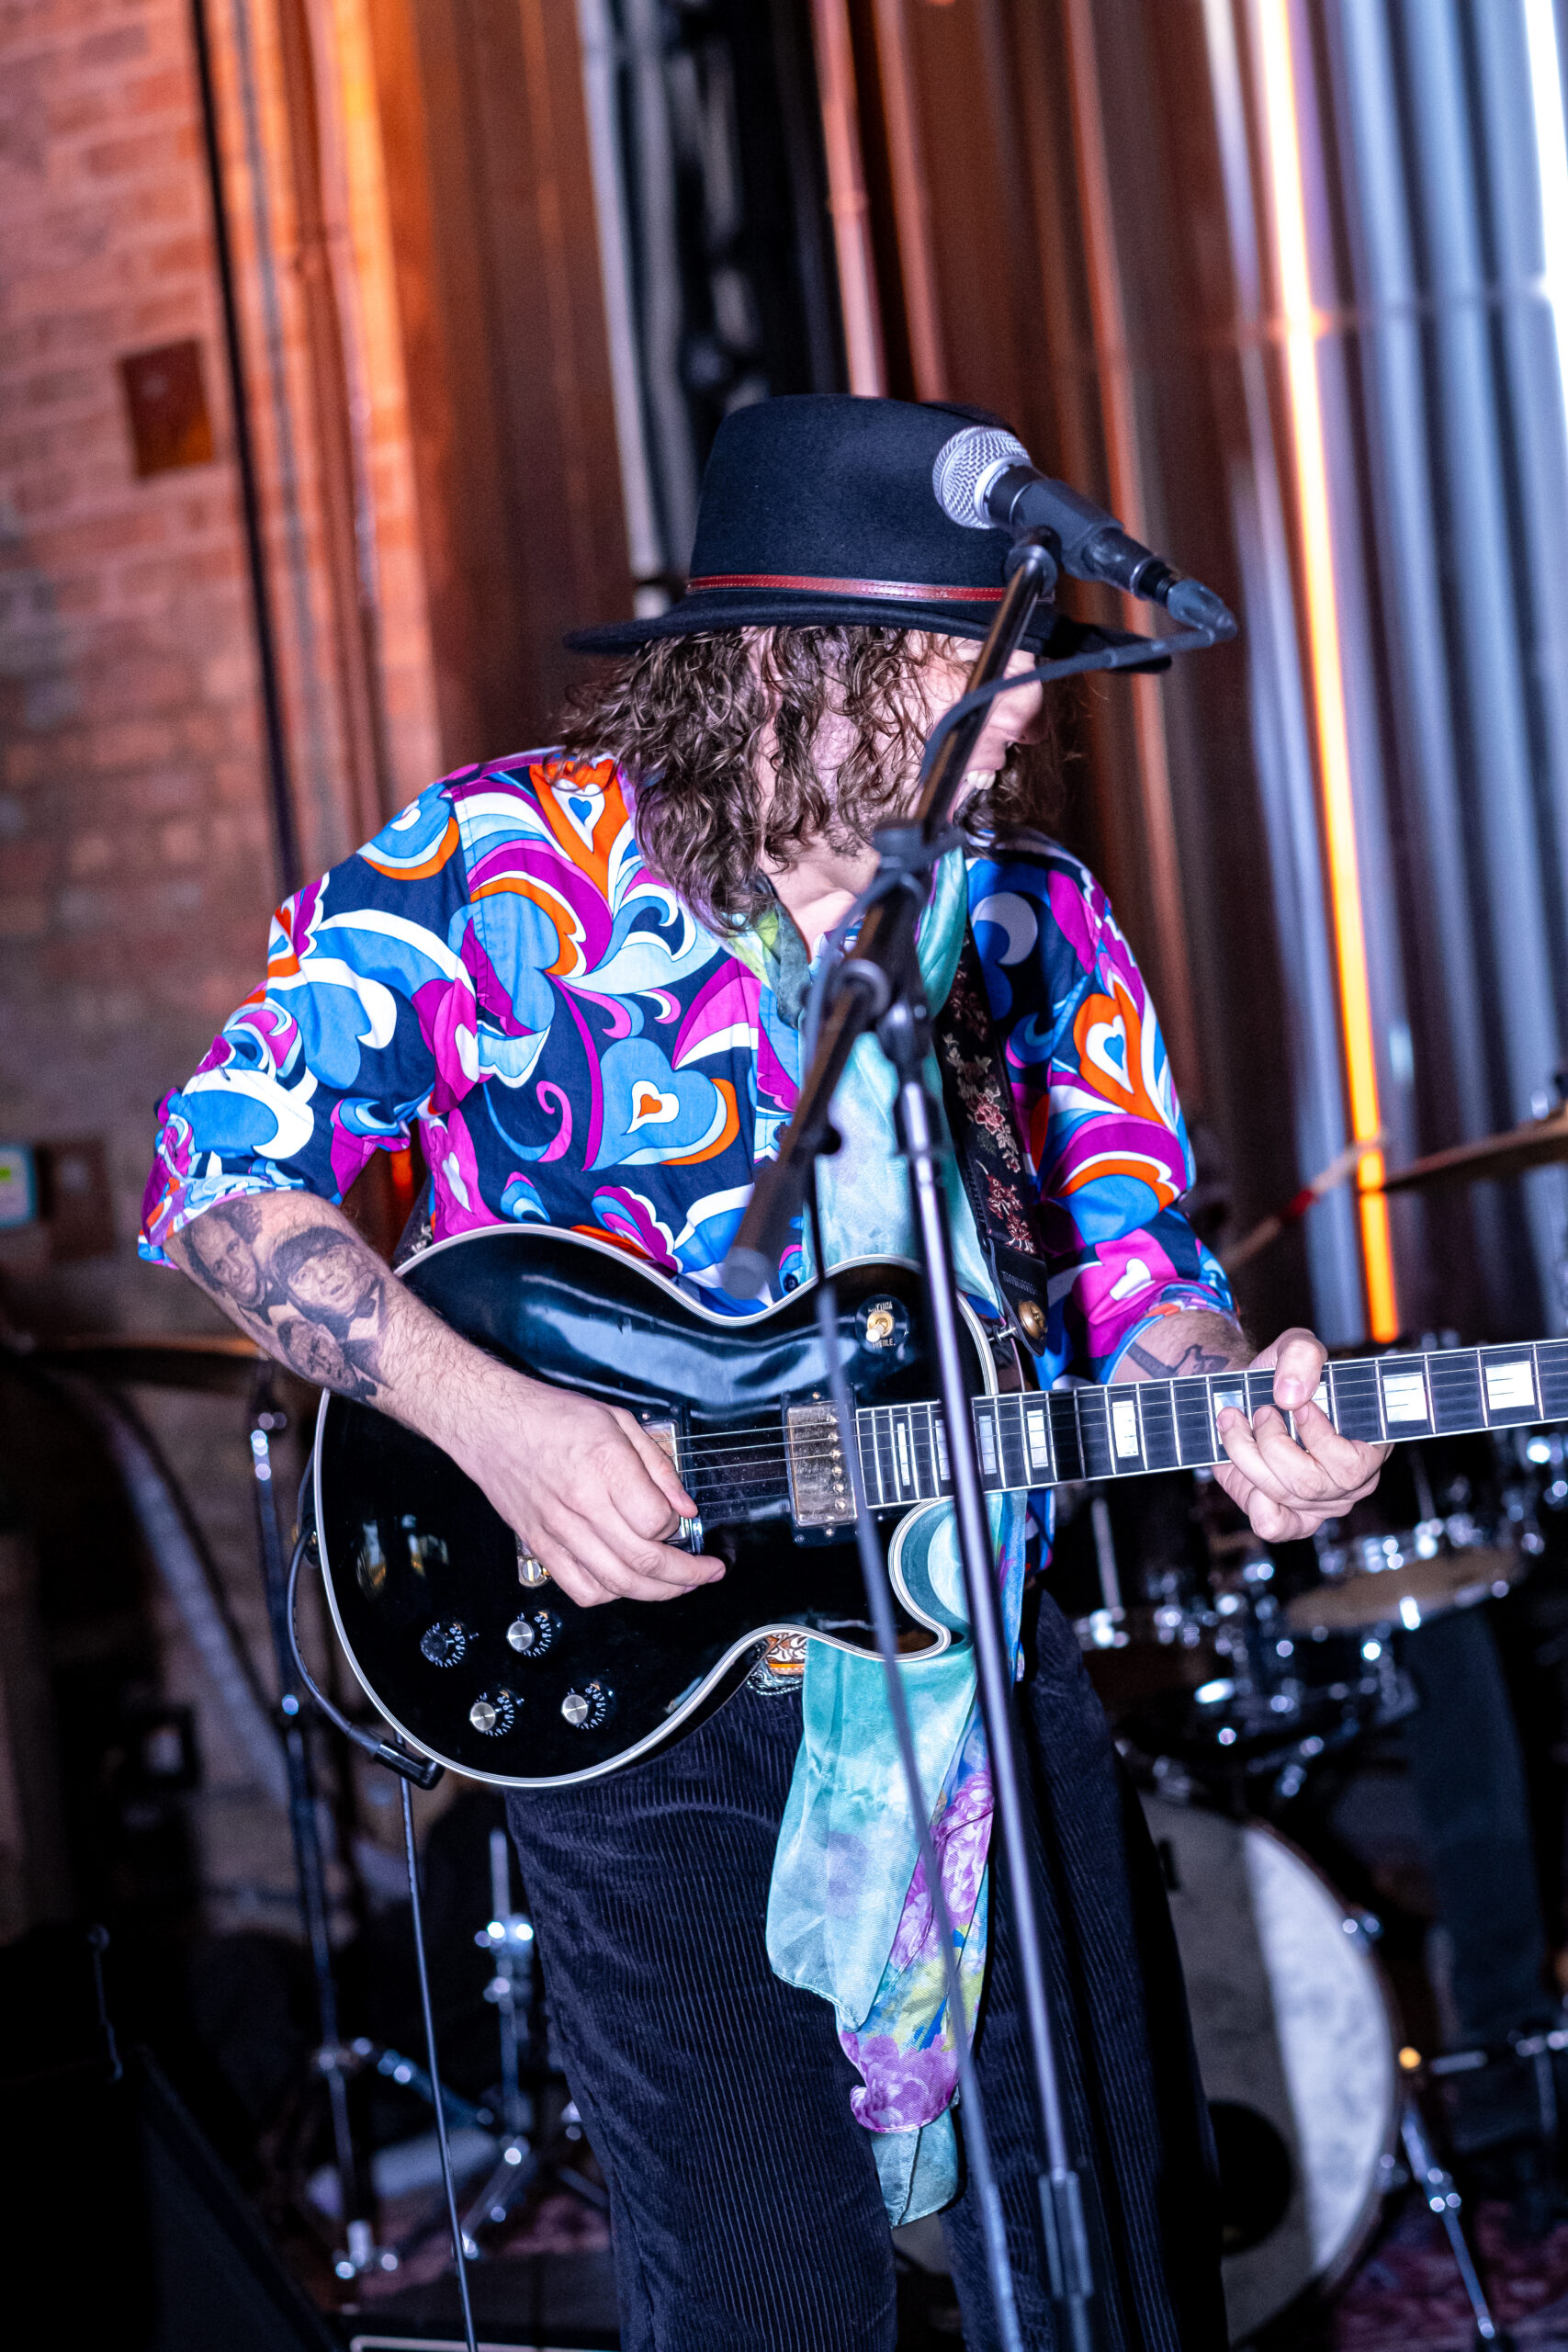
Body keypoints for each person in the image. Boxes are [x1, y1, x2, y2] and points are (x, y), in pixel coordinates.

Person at [141, 396, 1385, 2350]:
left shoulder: (1034, 925)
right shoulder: (500, 867)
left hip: (974, 1660)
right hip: (634, 1694)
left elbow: (1139, 1277)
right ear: (794, 669)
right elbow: (218, 1172)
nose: (1019, 719)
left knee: (1119, 2278)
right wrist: (497, 1421)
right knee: (767, 2305)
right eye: (963, 673)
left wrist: (1240, 1396)